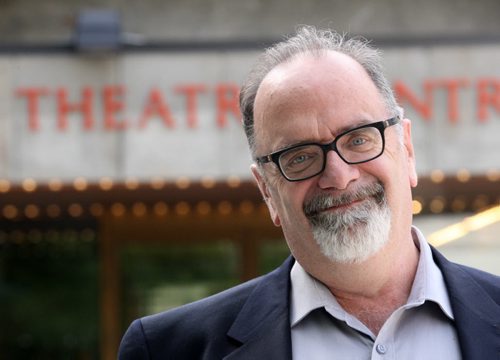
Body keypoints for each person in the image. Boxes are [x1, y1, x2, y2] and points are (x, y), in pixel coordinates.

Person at [118, 26, 500, 359]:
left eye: (359, 139)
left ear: (408, 149)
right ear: (267, 190)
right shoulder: (169, 350)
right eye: (299, 157)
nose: (339, 174)